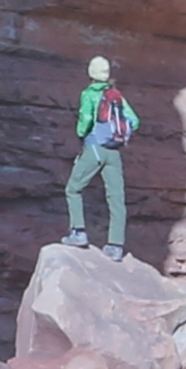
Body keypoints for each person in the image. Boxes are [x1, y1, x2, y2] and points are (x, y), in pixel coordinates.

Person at [63, 53, 138, 255]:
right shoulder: (116, 95)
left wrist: (81, 133)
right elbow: (134, 120)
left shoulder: (89, 94)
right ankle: (115, 245)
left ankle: (78, 232)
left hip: (94, 149)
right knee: (116, 199)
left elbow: (86, 120)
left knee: (73, 189)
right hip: (114, 152)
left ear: (91, 73)